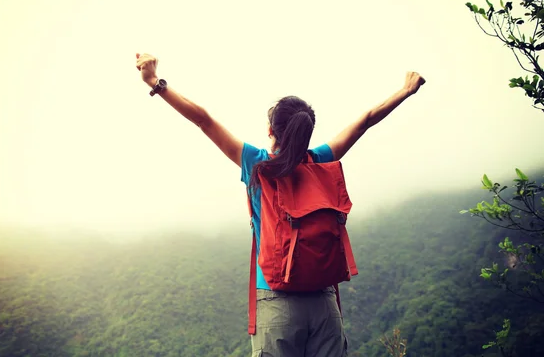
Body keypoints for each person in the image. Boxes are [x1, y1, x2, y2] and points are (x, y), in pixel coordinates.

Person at [135, 52, 426, 357]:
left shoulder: (257, 165)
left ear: (271, 131)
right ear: (305, 133)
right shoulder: (321, 160)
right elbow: (365, 121)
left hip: (276, 303)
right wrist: (405, 91)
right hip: (324, 303)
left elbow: (203, 120)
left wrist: (156, 83)